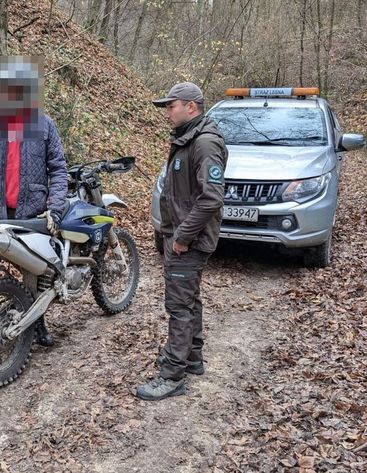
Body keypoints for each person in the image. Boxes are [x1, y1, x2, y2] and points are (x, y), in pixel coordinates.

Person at [0, 56, 67, 346]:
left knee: (33, 275)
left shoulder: (43, 125)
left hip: (31, 216)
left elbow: (58, 170)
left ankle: (35, 325)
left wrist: (55, 207)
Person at [136, 82, 228, 401]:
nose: (166, 111)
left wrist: (181, 237)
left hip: (187, 241)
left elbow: (211, 198)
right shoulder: (187, 138)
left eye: (170, 105)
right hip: (180, 236)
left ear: (191, 107)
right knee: (189, 299)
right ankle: (192, 358)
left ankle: (172, 375)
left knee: (178, 306)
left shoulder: (204, 143)